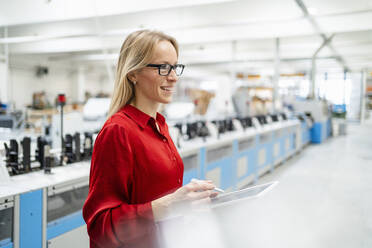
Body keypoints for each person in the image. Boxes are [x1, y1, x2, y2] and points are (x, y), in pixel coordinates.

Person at [82, 30, 217, 248]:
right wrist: (170, 205)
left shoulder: (160, 125)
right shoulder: (119, 131)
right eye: (163, 67)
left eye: (175, 67)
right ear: (133, 73)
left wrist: (189, 199)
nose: (173, 77)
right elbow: (100, 226)